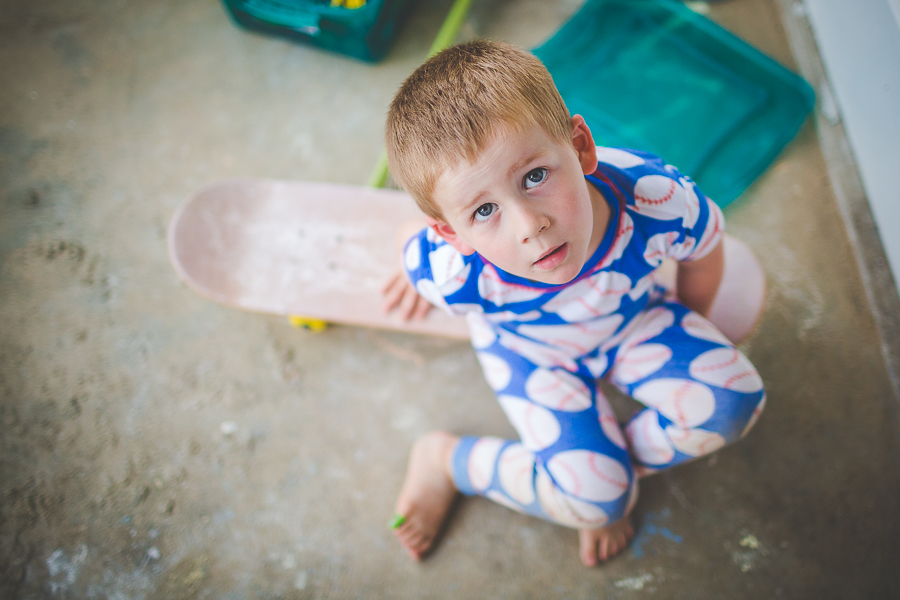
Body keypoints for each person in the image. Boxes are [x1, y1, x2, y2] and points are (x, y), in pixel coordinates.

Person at [380, 40, 765, 567]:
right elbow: (412, 244)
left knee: (734, 403)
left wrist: (691, 325)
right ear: (453, 233)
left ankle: (602, 474)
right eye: (485, 209)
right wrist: (411, 261)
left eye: (535, 177)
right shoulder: (452, 272)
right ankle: (451, 461)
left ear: (581, 147)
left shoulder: (655, 199)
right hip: (531, 356)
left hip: (635, 322)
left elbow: (704, 250)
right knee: (598, 505)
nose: (528, 224)